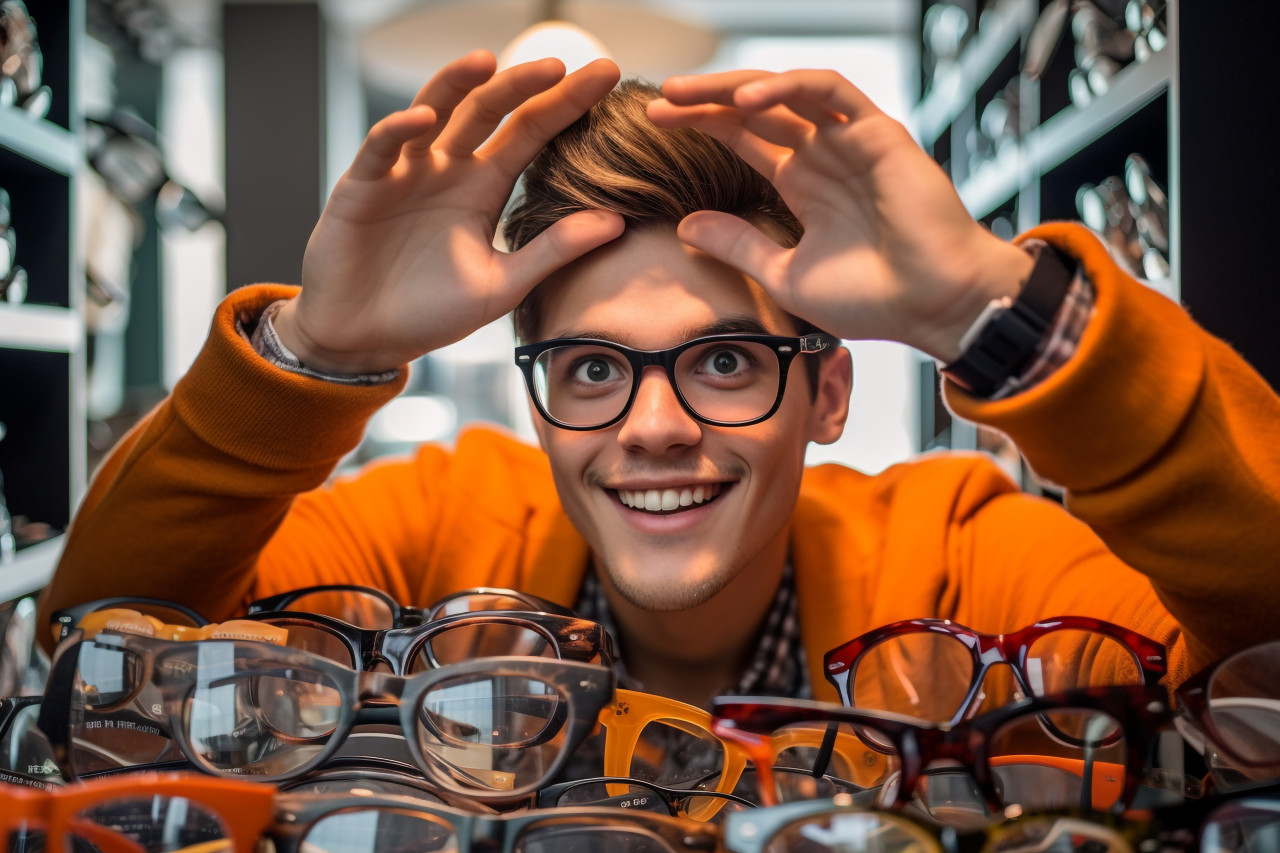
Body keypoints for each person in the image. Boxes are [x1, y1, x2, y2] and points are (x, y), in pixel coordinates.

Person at [38, 50, 1280, 711]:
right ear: (535, 399)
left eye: (725, 361)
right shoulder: (425, 539)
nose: (653, 427)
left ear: (828, 393)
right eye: (589, 369)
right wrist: (318, 357)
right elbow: (102, 653)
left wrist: (983, 312)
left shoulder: (968, 564)